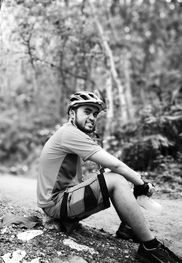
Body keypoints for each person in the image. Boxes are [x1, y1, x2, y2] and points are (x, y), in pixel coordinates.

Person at [37, 91, 182, 263]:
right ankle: (150, 247)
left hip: (59, 200)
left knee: (110, 176)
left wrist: (133, 181)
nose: (92, 117)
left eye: (95, 114)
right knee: (116, 178)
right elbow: (116, 165)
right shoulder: (69, 133)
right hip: (55, 204)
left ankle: (128, 228)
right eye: (87, 111)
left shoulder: (69, 132)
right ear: (72, 113)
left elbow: (107, 166)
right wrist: (141, 183)